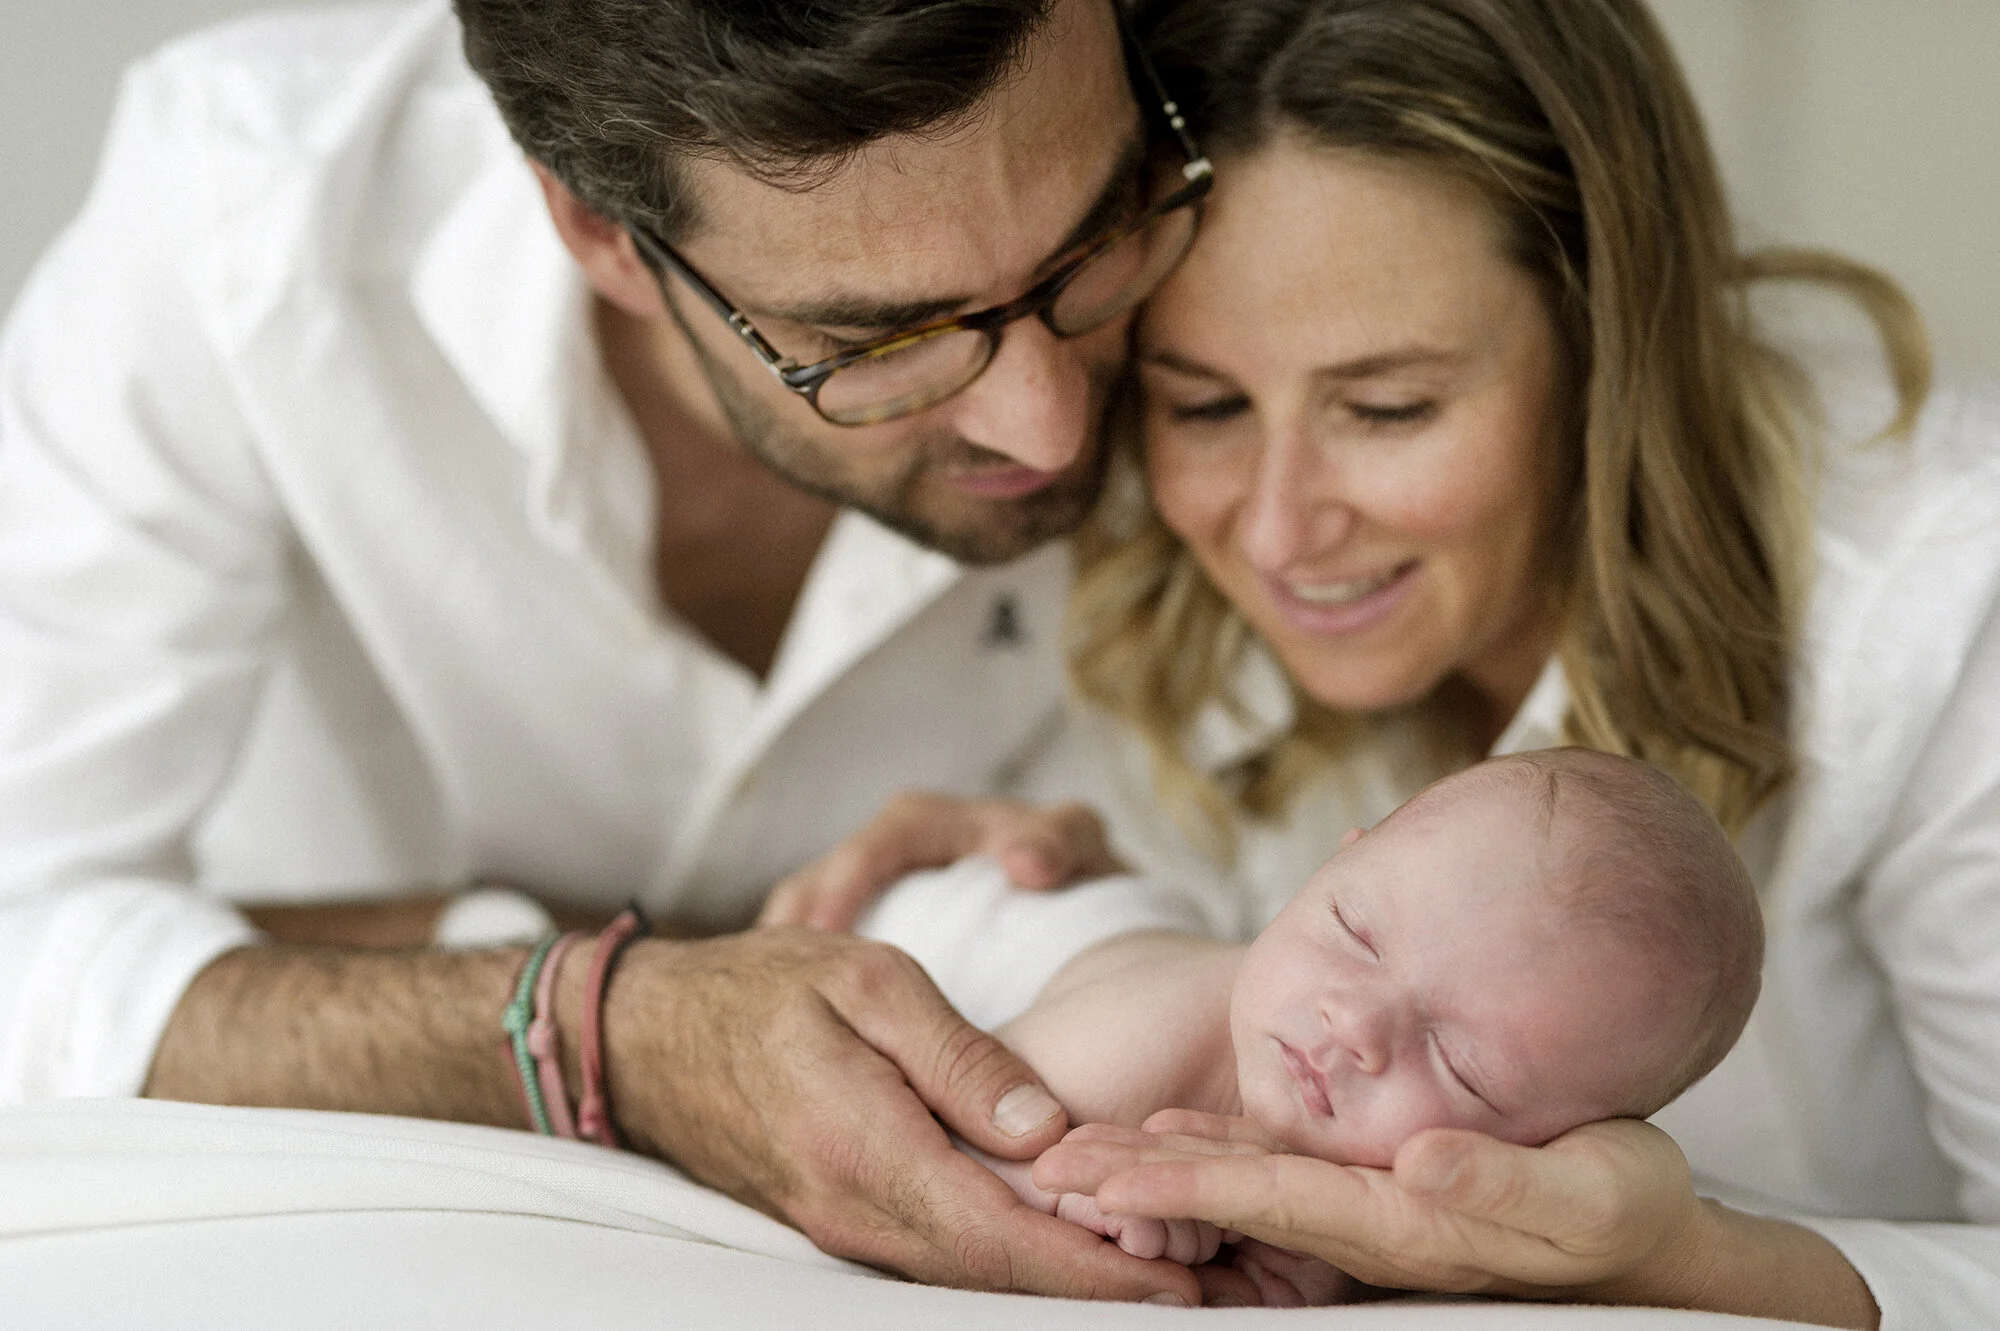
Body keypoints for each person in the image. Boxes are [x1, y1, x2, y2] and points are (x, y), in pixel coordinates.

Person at [788, 0, 2000, 1322]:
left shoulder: (1949, 612)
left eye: (1386, 406)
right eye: (1203, 402)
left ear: (1607, 346)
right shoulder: (1141, 564)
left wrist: (1669, 1256)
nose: (1276, 531)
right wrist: (1069, 903)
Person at [0, 0, 1218, 1303]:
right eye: (881, 343)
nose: (1049, 427)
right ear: (599, 232)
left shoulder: (1233, 110)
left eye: (1097, 235)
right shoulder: (237, 223)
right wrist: (602, 1026)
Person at [966, 748, 1764, 1305]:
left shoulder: (1426, 1212)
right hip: (999, 913)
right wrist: (1064, 1196)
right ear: (1332, 864)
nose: (1354, 1022)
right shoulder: (1135, 1040)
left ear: (1547, 1144)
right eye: (1354, 932)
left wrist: (1294, 1273)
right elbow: (956, 1139)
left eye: (1460, 1063)